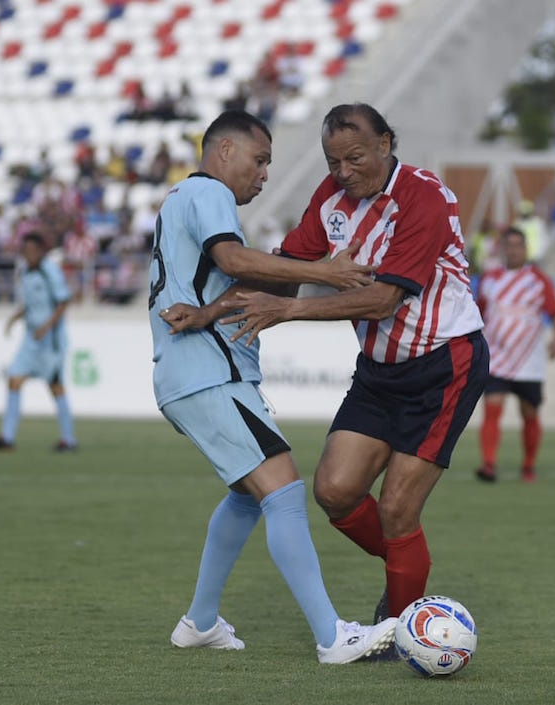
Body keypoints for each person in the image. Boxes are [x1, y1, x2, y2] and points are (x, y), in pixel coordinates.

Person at [210, 103, 489, 625]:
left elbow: (383, 300)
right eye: (333, 161)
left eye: (354, 157)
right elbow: (290, 267)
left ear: (386, 143)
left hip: (443, 366)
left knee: (398, 509)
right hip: (380, 371)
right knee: (335, 492)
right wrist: (212, 307)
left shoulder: (424, 196)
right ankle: (410, 568)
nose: (343, 172)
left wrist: (288, 309)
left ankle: (401, 628)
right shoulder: (331, 198)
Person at [149, 110, 396, 663]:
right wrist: (328, 272)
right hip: (207, 372)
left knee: (246, 496)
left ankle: (201, 622)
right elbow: (234, 259)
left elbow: (235, 279)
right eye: (259, 161)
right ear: (224, 153)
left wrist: (217, 305)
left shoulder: (181, 201)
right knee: (282, 489)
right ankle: (333, 637)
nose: (263, 175)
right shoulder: (208, 192)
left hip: (198, 372)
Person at [474, 227, 555, 484]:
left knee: (530, 413)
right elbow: (478, 313)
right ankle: (489, 464)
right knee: (492, 409)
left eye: (518, 245)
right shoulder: (490, 279)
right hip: (497, 357)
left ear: (525, 249)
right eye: (509, 245)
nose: (513, 250)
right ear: (503, 249)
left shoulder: (538, 280)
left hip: (528, 360)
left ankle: (529, 466)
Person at [0, 232, 77, 452]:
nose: (29, 255)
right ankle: (7, 437)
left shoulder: (49, 271)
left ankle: (69, 439)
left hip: (50, 340)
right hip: (31, 338)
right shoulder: (24, 271)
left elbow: (63, 302)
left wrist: (46, 326)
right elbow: (30, 304)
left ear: (41, 251)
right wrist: (15, 318)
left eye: (33, 251)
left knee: (55, 387)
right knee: (14, 380)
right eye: (26, 251)